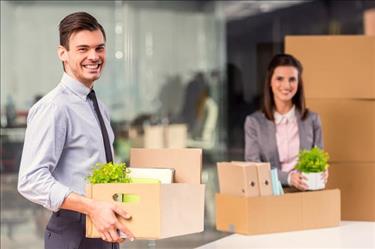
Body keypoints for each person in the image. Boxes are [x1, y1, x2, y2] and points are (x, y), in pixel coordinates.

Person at [17, 12, 134, 249]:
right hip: (73, 233)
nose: (94, 56)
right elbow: (30, 180)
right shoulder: (54, 107)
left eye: (99, 48)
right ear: (63, 53)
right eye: (83, 49)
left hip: (104, 226)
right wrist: (92, 206)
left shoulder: (98, 106)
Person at [244, 53, 328, 191]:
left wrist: (322, 171)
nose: (286, 85)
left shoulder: (312, 119)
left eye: (292, 79)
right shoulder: (254, 123)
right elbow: (253, 166)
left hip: (306, 194)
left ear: (298, 83)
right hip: (270, 195)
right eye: (280, 78)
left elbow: (319, 158)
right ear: (270, 82)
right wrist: (288, 178)